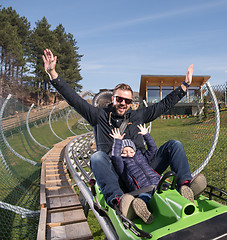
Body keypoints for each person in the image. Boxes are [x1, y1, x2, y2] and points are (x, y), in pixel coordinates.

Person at [42, 49, 206, 214]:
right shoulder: (98, 116)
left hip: (143, 164)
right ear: (112, 99)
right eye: (119, 99)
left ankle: (185, 185)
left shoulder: (136, 116)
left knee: (174, 145)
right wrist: (53, 74)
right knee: (97, 157)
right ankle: (120, 201)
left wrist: (184, 86)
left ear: (130, 102)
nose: (123, 103)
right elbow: (75, 100)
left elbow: (162, 105)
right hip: (118, 170)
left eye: (127, 100)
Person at [110, 124, 195, 224]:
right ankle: (144, 213)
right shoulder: (122, 166)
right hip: (142, 189)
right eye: (124, 153)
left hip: (158, 184)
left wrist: (146, 135)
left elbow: (153, 149)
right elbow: (115, 157)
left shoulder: (142, 157)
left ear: (135, 150)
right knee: (143, 199)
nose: (128, 154)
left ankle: (185, 196)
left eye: (131, 151)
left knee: (172, 192)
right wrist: (117, 141)